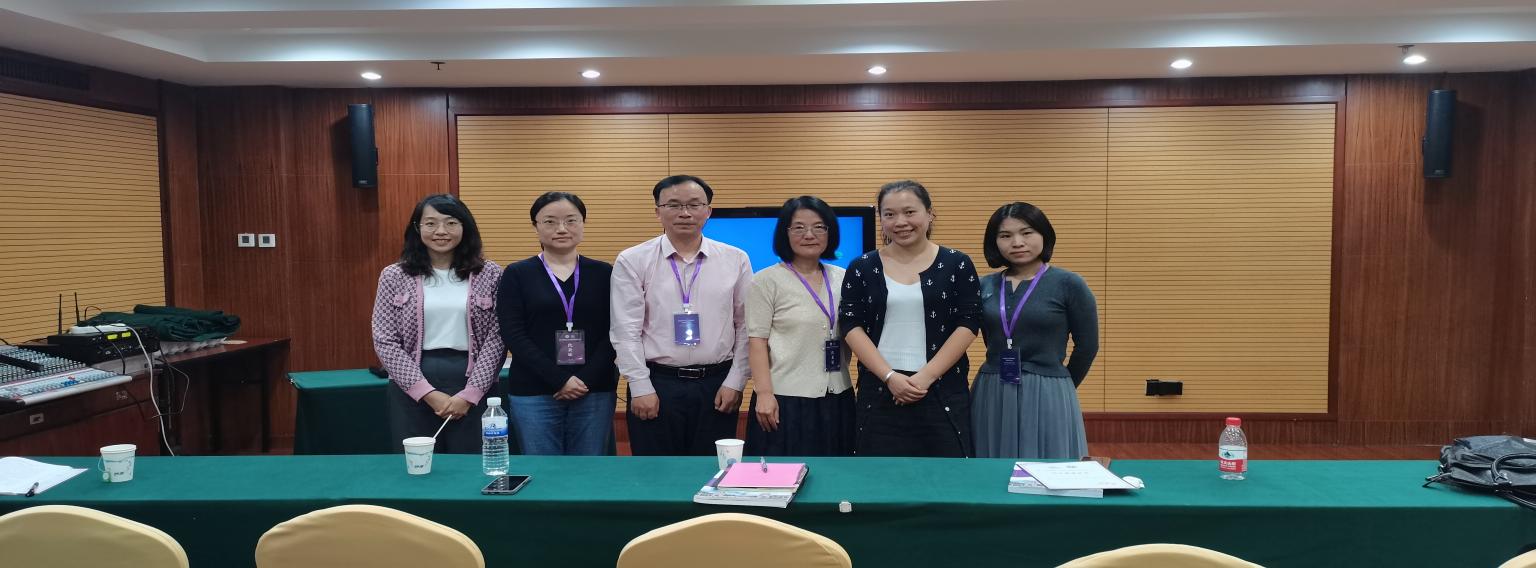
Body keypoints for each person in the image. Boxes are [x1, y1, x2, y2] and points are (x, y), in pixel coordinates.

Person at [610, 175, 753, 456]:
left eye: (694, 205)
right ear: (658, 211)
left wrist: (736, 381)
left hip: (717, 384)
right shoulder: (633, 259)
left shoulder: (735, 259)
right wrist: (639, 385)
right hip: (657, 382)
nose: (685, 213)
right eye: (673, 205)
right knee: (656, 471)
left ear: (708, 210)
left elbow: (746, 325)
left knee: (714, 470)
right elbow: (625, 330)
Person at [838, 180, 982, 457]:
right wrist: (890, 376)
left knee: (948, 474)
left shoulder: (957, 263)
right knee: (876, 474)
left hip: (942, 388)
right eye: (889, 214)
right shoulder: (862, 266)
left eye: (909, 212)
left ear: (930, 214)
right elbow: (851, 325)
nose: (900, 222)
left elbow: (968, 323)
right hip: (879, 389)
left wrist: (925, 377)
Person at [372, 194, 504, 454]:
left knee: (472, 463)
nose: (441, 231)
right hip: (412, 381)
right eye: (430, 223)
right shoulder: (394, 275)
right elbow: (384, 339)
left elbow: (498, 337)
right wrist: (426, 392)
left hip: (474, 380)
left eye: (451, 223)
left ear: (465, 227)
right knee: (419, 463)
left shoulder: (490, 273)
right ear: (417, 228)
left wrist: (471, 394)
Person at [972, 202, 1099, 459]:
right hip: (992, 387)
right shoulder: (984, 285)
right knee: (990, 466)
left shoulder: (1069, 283)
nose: (1017, 242)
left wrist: (1060, 384)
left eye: (1027, 232)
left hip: (1048, 389)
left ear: (1044, 234)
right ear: (994, 242)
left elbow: (1087, 346)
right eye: (1005, 236)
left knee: (1049, 469)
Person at [496, 192, 617, 455]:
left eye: (571, 220)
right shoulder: (517, 273)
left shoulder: (605, 273)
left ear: (583, 224)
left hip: (594, 388)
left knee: (589, 468)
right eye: (550, 221)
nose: (561, 229)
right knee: (542, 469)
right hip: (534, 390)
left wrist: (583, 380)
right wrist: (560, 379)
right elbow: (513, 334)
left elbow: (615, 331)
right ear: (536, 226)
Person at [744, 196, 855, 457]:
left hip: (838, 394)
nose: (809, 235)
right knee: (783, 474)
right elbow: (757, 342)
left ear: (830, 232)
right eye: (799, 227)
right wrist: (764, 394)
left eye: (819, 227)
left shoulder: (843, 278)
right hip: (785, 399)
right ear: (785, 233)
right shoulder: (766, 281)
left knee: (838, 472)